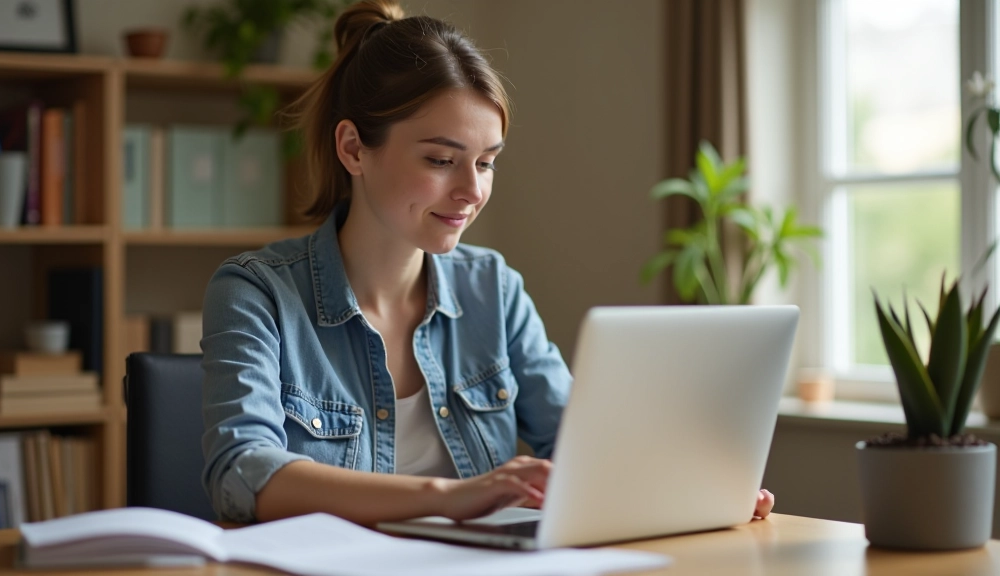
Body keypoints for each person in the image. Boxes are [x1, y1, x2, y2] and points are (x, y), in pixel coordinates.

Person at [200, 0, 776, 526]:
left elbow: (582, 442)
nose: (471, 190)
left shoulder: (492, 289)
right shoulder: (256, 293)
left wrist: (689, 489)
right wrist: (448, 496)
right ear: (353, 148)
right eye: (442, 159)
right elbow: (244, 474)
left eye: (486, 163)